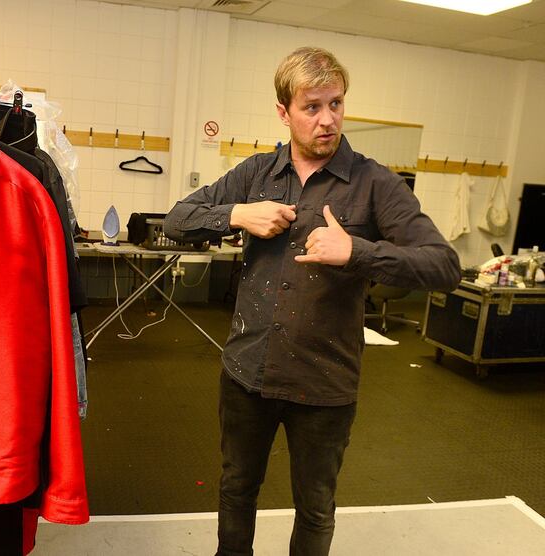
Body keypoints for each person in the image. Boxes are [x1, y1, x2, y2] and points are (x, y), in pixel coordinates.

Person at [164, 46, 461, 556]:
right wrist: (238, 214)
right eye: (312, 107)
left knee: (315, 508)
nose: (328, 120)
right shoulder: (257, 174)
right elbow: (176, 218)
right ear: (284, 112)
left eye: (336, 104)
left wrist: (358, 251)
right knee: (237, 490)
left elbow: (444, 265)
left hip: (324, 382)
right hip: (247, 372)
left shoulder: (376, 184)